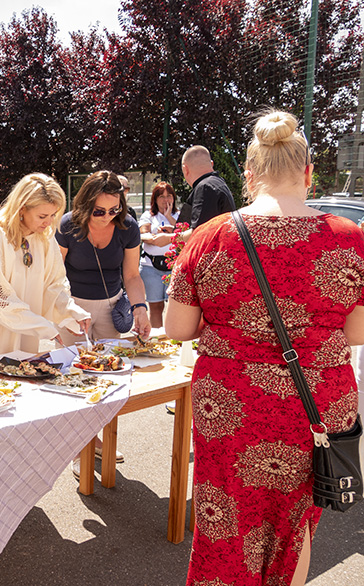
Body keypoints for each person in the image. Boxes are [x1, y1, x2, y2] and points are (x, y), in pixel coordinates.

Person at [165, 110, 364, 586]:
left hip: (231, 403)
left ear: (250, 176)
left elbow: (176, 327)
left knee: (226, 517)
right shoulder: (351, 240)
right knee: (296, 521)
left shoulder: (208, 238)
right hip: (315, 401)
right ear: (308, 174)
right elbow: (356, 333)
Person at [0, 173, 89, 360]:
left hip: (24, 328)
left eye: (53, 215)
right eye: (42, 216)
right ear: (22, 209)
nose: (48, 222)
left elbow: (53, 285)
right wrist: (39, 325)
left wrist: (71, 311)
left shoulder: (45, 237)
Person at [56, 170, 151, 344]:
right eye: (99, 211)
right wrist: (67, 308)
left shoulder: (128, 227)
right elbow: (56, 275)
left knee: (110, 362)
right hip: (73, 306)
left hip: (111, 306)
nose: (107, 217)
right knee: (73, 364)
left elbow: (131, 275)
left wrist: (140, 309)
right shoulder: (67, 225)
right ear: (86, 205)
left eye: (114, 210)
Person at [138, 182, 179, 328]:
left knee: (176, 308)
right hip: (151, 267)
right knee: (155, 306)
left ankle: (173, 337)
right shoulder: (148, 216)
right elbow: (143, 234)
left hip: (174, 267)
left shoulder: (179, 215)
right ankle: (157, 338)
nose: (166, 200)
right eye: (161, 196)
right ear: (155, 199)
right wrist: (156, 238)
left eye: (169, 196)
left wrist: (169, 219)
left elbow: (184, 233)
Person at [177, 145, 236, 241]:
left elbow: (200, 233)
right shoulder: (218, 183)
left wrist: (169, 239)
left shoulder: (205, 188)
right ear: (211, 164)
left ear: (185, 169)